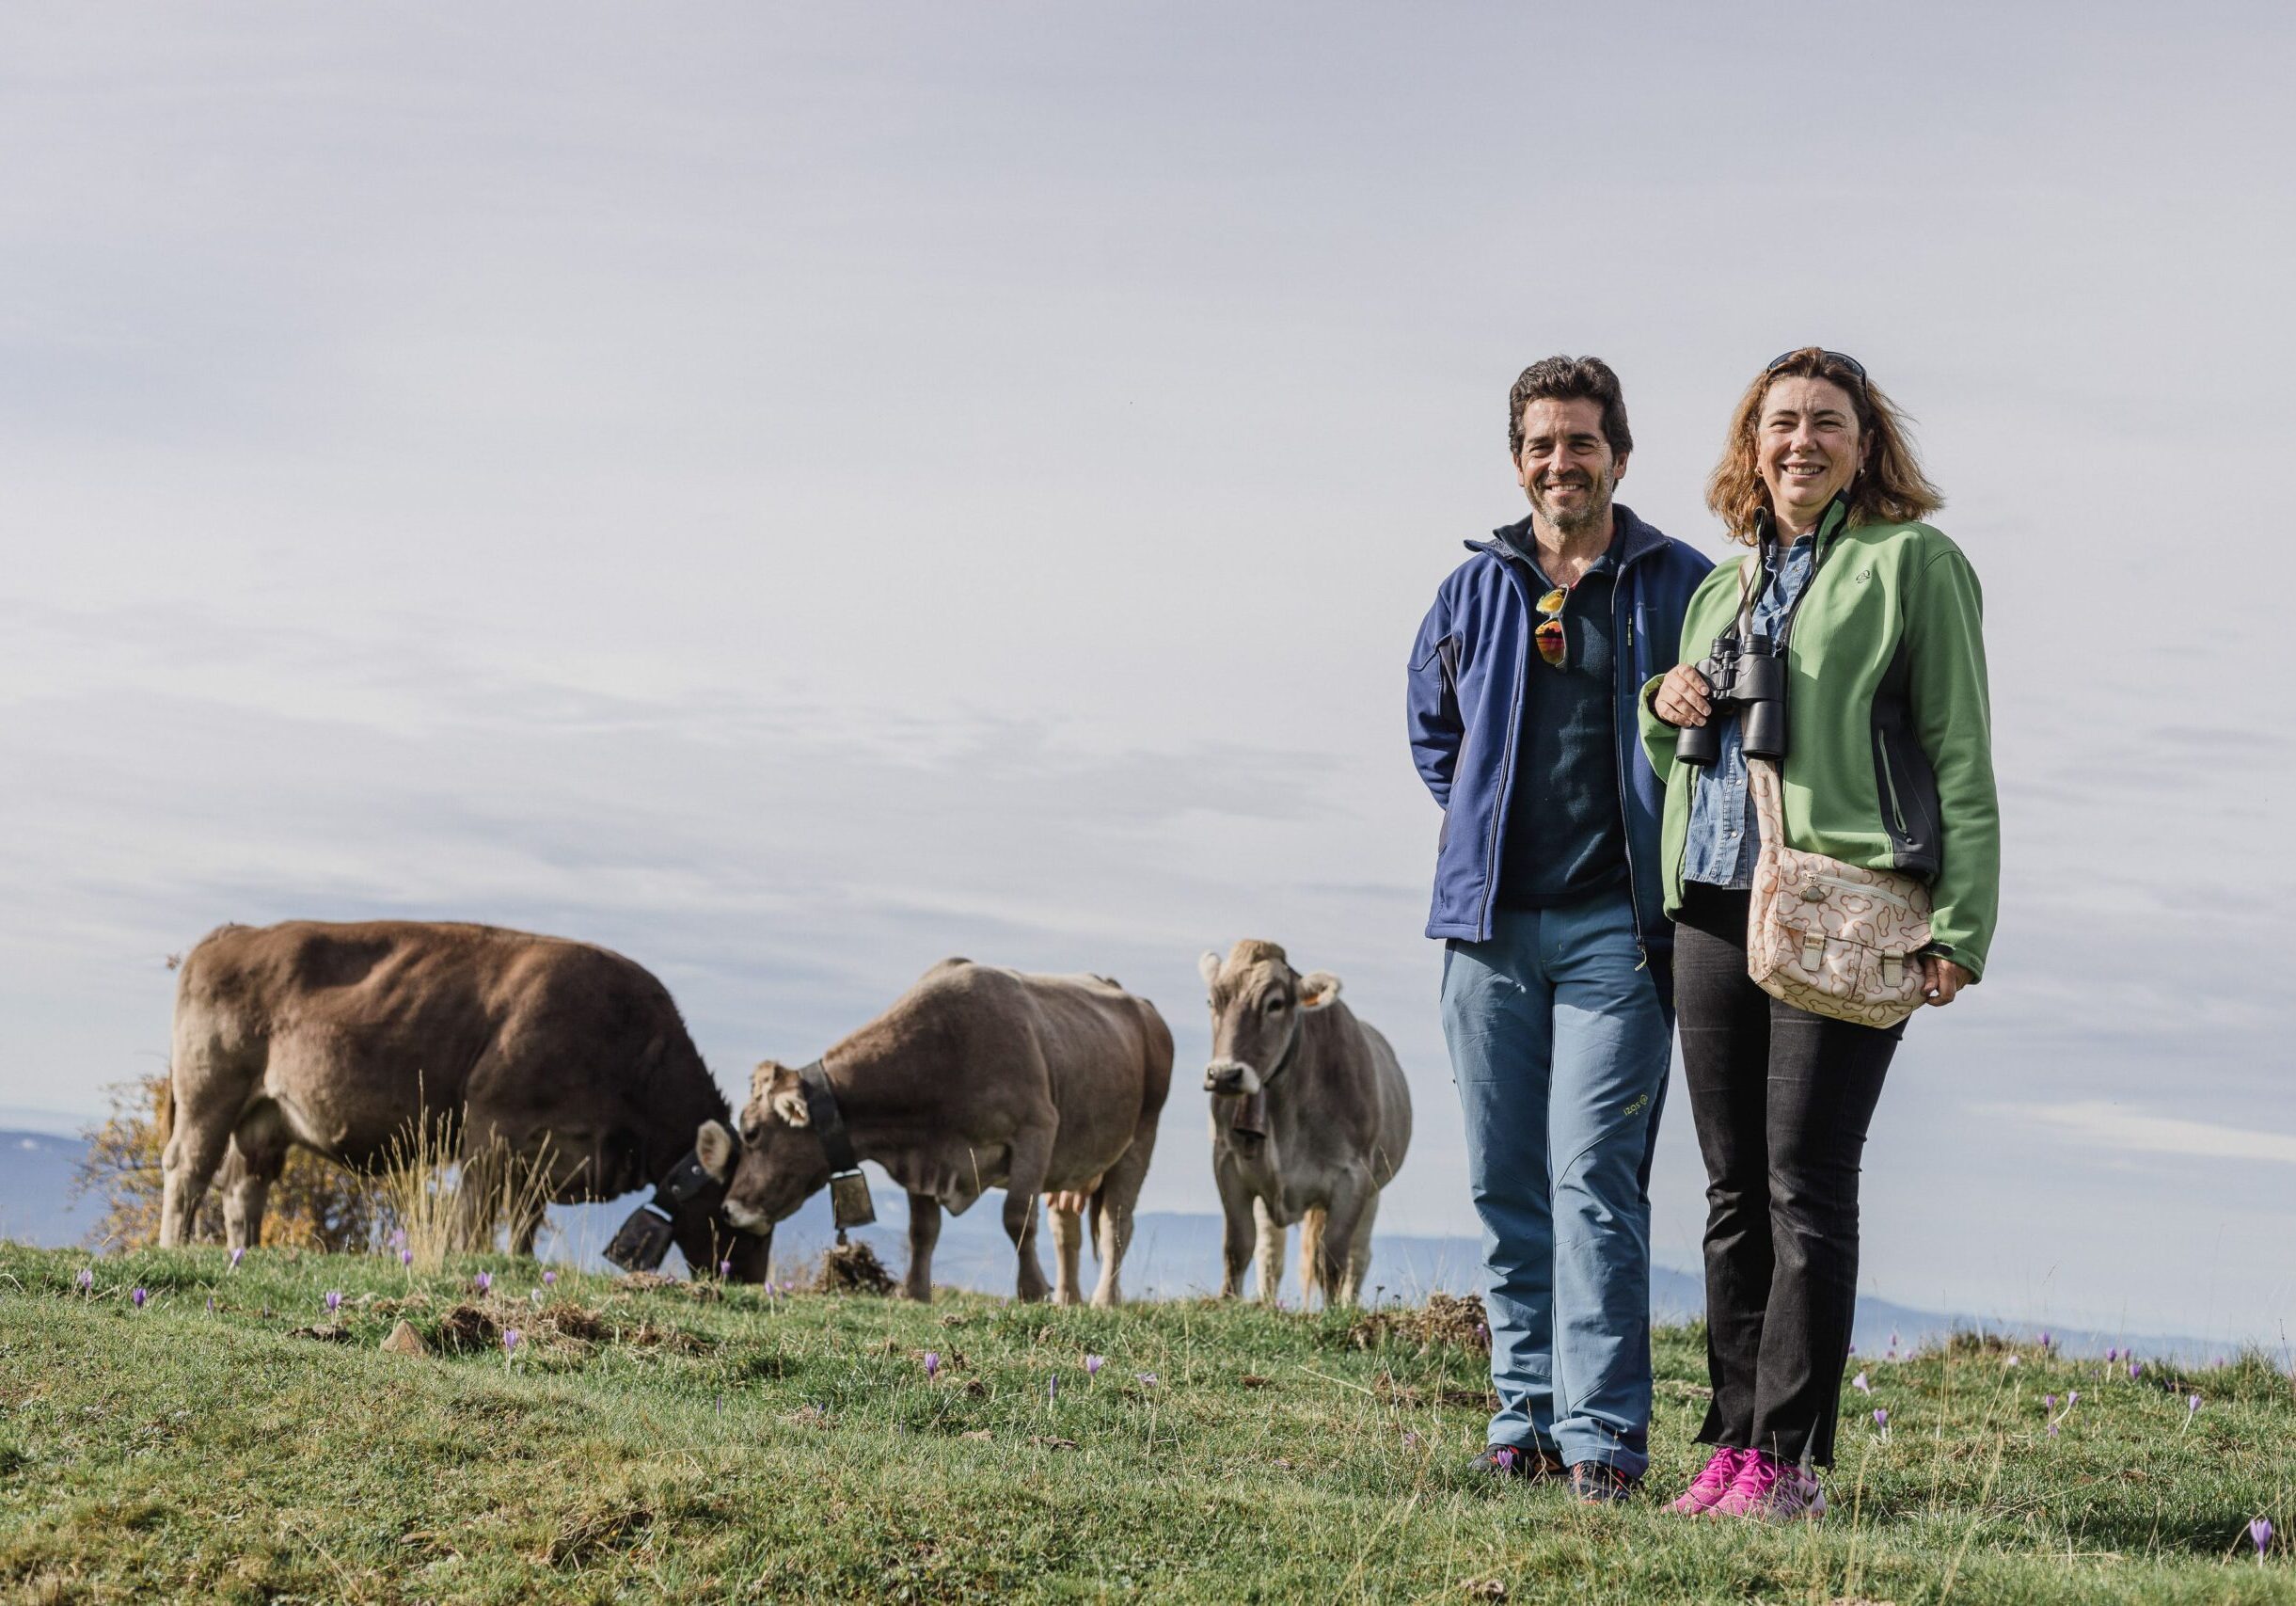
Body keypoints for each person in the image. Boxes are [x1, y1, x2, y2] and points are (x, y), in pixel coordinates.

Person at [1640, 347, 1999, 1520]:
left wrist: (1961, 920)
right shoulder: (1717, 588)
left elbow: (1959, 752)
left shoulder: (1913, 563)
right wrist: (1665, 705)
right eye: (1779, 422)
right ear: (1751, 445)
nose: (1800, 441)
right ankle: (1731, 1446)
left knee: (1806, 1184)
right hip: (1710, 901)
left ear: (1863, 443)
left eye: (1825, 423)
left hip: (1844, 907)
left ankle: (1787, 1464)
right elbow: (1680, 766)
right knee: (1731, 1191)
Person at [1406, 356, 1711, 1502]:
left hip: (1616, 936)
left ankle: (1601, 1445)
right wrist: (1482, 826)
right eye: (1539, 443)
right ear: (1517, 460)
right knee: (1503, 1180)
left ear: (1617, 457)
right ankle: (1519, 1420)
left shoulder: (1679, 581)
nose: (1558, 460)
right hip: (1485, 930)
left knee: (1595, 1180)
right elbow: (1431, 732)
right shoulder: (1468, 588)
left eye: (1579, 441)